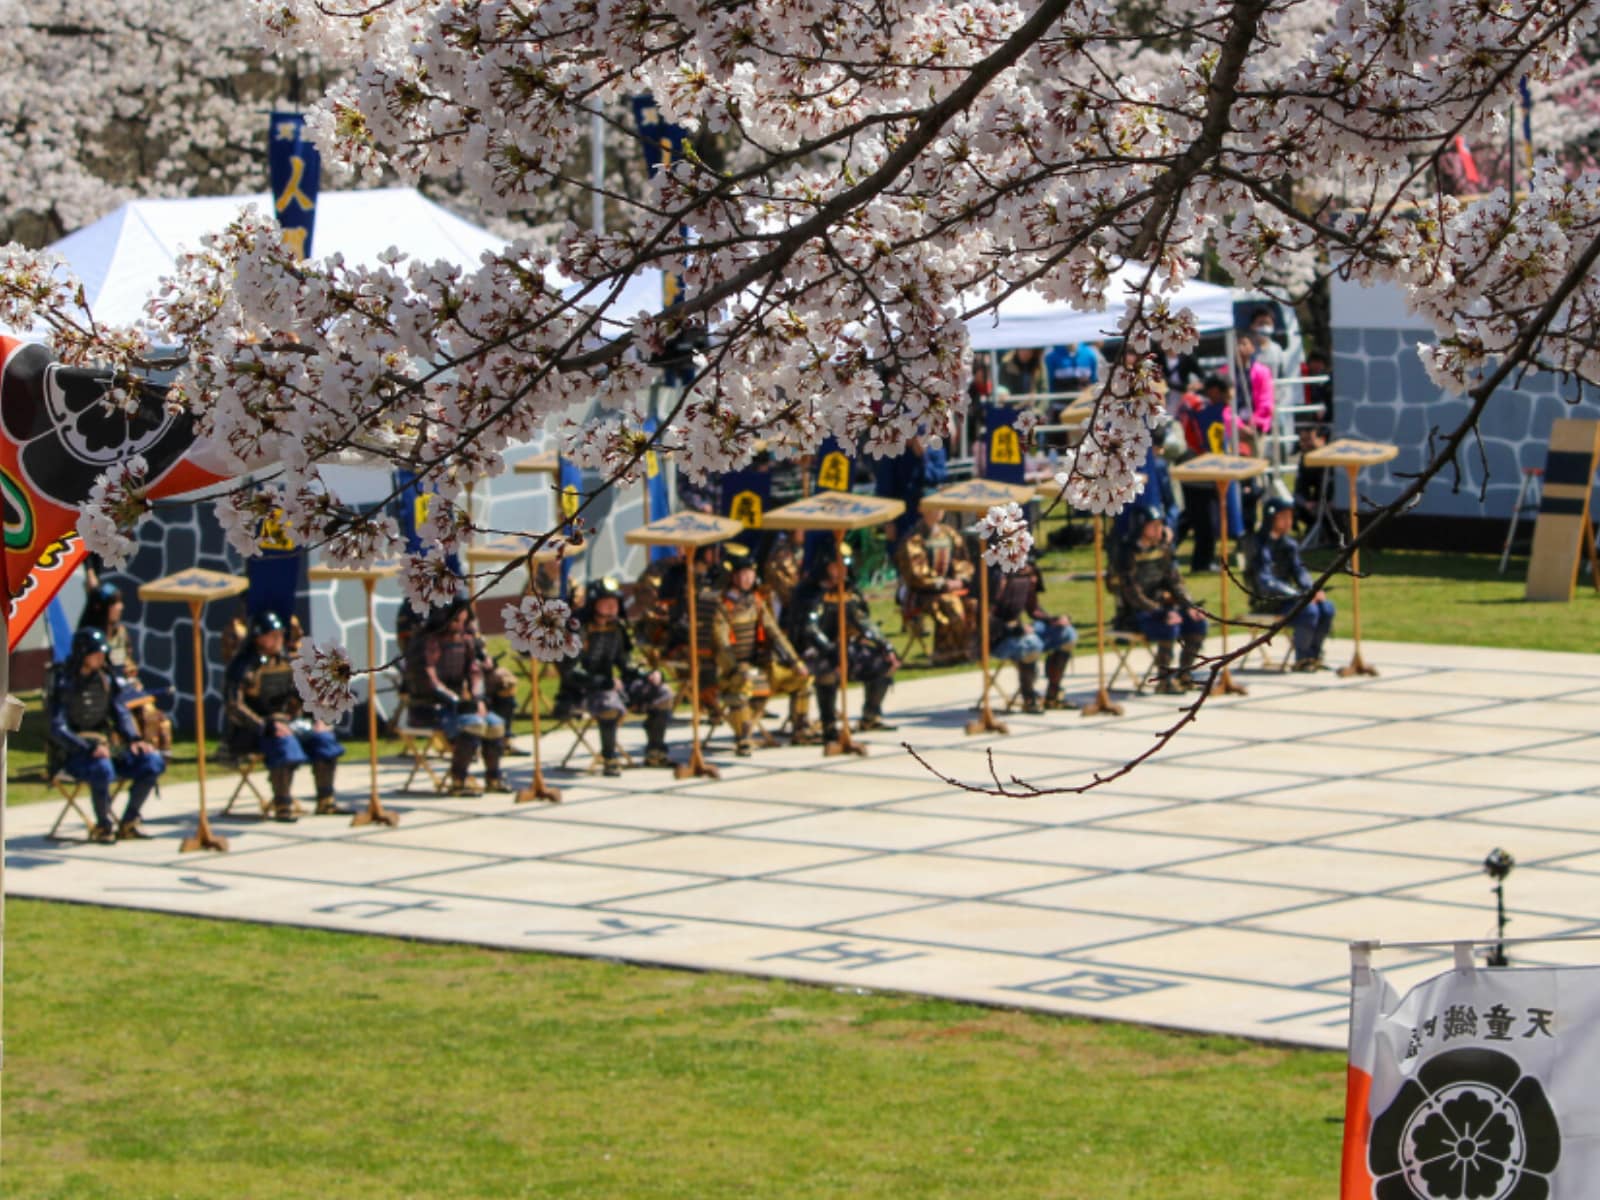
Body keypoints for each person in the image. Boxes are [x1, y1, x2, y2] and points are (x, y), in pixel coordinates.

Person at [225, 610, 346, 821]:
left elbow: (304, 694)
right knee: (284, 743)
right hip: (253, 731)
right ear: (258, 637)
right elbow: (234, 706)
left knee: (323, 739)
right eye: (272, 635)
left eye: (279, 634)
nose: (278, 639)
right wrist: (265, 725)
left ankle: (326, 800)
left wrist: (318, 718)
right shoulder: (242, 667)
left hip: (288, 723)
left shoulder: (288, 661)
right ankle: (283, 805)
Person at [49, 627, 166, 843]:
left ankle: (130, 821)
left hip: (106, 748)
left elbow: (120, 713)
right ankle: (103, 826)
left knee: (153, 761)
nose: (102, 657)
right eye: (96, 653)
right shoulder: (64, 682)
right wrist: (89, 748)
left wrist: (134, 739)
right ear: (83, 653)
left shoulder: (106, 679)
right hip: (75, 754)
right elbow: (58, 728)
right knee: (102, 768)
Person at [786, 545, 899, 740]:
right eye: (836, 566)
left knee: (882, 661)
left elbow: (863, 621)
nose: (841, 571)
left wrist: (885, 646)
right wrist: (832, 652)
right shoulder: (810, 592)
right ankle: (829, 725)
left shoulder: (848, 590)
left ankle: (871, 716)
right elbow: (809, 629)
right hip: (813, 651)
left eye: (844, 566)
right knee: (827, 673)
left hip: (844, 648)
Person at [564, 578, 674, 774]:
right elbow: (571, 672)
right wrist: (603, 682)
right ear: (594, 603)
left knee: (663, 693)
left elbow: (626, 663)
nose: (612, 607)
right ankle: (609, 758)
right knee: (610, 703)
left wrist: (647, 674)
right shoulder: (578, 629)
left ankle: (655, 752)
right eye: (606, 602)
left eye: (615, 602)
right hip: (581, 692)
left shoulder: (617, 628)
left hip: (612, 687)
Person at [404, 597, 508, 794]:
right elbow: (429, 679)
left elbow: (474, 672)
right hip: (431, 705)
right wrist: (455, 700)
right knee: (473, 724)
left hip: (462, 704)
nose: (460, 626)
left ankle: (493, 778)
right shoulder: (428, 641)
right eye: (455, 621)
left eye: (462, 621)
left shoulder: (466, 641)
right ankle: (458, 780)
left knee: (495, 724)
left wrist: (477, 698)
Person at [713, 550, 812, 755]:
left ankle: (801, 728)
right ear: (732, 577)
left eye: (750, 573)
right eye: (743, 574)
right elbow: (721, 643)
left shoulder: (757, 602)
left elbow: (775, 634)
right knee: (741, 686)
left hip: (763, 666)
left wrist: (795, 661)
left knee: (803, 678)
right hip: (732, 672)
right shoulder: (722, 605)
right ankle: (744, 737)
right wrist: (735, 668)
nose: (748, 578)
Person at [1114, 506, 1208, 693]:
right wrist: (1159, 612)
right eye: (1154, 525)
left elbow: (1174, 581)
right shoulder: (1126, 553)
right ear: (1141, 526)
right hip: (1136, 614)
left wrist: (1188, 605)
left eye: (1160, 525)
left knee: (1197, 622)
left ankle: (1184, 674)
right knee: (1170, 624)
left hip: (1162, 608)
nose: (1159, 530)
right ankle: (1164, 680)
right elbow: (1131, 593)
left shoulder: (1162, 549)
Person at [77, 580, 174, 750]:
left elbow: (127, 661)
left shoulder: (121, 632)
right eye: (115, 603)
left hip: (125, 689)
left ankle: (154, 759)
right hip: (102, 694)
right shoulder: (88, 638)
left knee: (157, 719)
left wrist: (132, 677)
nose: (120, 607)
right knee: (133, 720)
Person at [1249, 496, 1336, 671]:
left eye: (1290, 516)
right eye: (1284, 517)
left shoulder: (1289, 544)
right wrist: (1300, 596)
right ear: (1271, 517)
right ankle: (1302, 658)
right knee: (1309, 611)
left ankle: (1314, 655)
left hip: (1290, 599)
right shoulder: (1256, 543)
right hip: (1268, 601)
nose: (1289, 521)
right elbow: (1265, 580)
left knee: (1326, 608)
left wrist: (1312, 591)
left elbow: (1300, 571)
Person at [989, 552, 1076, 711]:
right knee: (1032, 644)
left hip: (1021, 633)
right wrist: (1015, 629)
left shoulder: (1024, 579)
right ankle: (1029, 698)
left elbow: (1034, 610)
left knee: (1067, 633)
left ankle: (1053, 695)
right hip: (997, 640)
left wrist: (1054, 620)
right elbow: (989, 620)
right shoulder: (996, 579)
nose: (1033, 579)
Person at [895, 502, 975, 664]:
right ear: (921, 509)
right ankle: (944, 652)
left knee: (973, 604)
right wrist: (942, 584)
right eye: (933, 507)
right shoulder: (914, 538)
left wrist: (961, 579)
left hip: (950, 588)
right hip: (922, 593)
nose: (938, 511)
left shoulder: (949, 533)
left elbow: (961, 559)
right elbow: (916, 572)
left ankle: (966, 649)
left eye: (941, 507)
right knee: (949, 605)